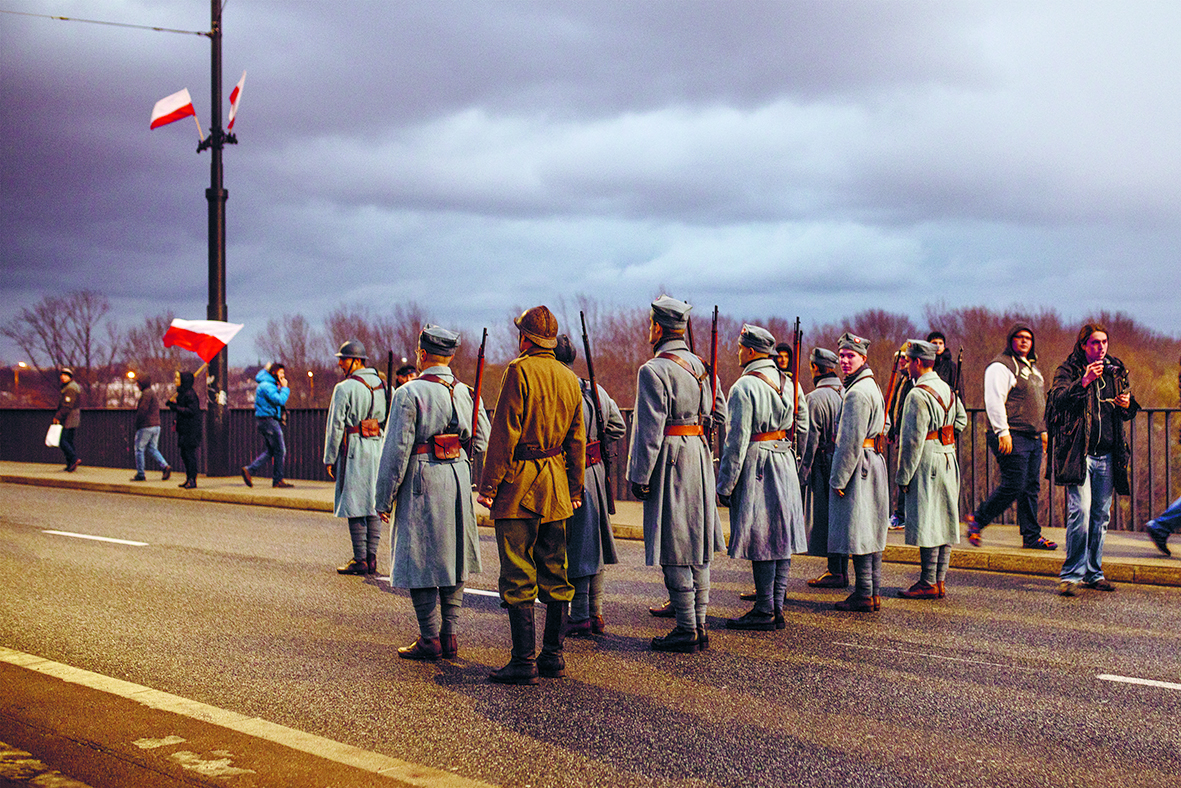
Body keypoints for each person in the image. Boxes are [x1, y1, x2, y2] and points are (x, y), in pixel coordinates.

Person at [477, 306, 584, 684]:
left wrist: (489, 486)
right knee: (556, 571)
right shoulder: (570, 378)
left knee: (518, 572)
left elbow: (504, 433)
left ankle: (523, 661)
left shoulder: (518, 370)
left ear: (525, 338)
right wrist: (575, 488)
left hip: (519, 484)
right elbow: (576, 440)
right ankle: (552, 656)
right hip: (556, 485)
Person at [378, 326, 490, 660]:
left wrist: (383, 498)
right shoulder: (467, 391)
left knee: (420, 556)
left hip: (422, 477)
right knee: (453, 555)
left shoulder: (408, 393)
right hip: (457, 477)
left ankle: (429, 638)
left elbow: (396, 451)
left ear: (422, 354)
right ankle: (450, 635)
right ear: (451, 356)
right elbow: (482, 440)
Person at [628, 295, 726, 653]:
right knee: (697, 543)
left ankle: (686, 627)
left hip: (671, 460)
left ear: (658, 328)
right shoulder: (701, 366)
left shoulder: (653, 370)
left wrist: (640, 476)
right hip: (698, 455)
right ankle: (699, 623)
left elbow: (649, 432)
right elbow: (720, 414)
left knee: (674, 544)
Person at [716, 325, 809, 631]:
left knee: (762, 537)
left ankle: (765, 608)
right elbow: (804, 427)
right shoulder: (790, 383)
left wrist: (726, 484)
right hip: (785, 458)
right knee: (781, 536)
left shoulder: (744, 386)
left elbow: (736, 441)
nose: (738, 352)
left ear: (751, 351)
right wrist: (798, 461)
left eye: (740, 348)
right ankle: (776, 606)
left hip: (759, 462)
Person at [1047, 323, 1139, 596]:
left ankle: (1093, 573)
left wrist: (1128, 404)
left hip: (1108, 454)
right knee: (1081, 511)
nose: (1101, 348)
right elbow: (1057, 401)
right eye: (1095, 343)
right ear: (1083, 345)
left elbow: (1127, 411)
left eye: (1104, 342)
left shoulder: (1115, 369)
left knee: (1100, 515)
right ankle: (1071, 575)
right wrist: (1084, 381)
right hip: (1079, 454)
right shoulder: (1068, 370)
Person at [553, 335, 626, 637]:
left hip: (570, 474)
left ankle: (581, 614)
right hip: (595, 471)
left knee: (578, 545)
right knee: (592, 545)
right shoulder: (592, 388)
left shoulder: (559, 388)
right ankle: (594, 612)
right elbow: (618, 426)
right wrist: (596, 438)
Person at [966, 324, 1056, 550]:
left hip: (1032, 435)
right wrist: (1002, 431)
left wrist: (1043, 430)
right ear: (1010, 340)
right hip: (1011, 433)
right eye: (1019, 337)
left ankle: (1031, 536)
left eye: (1028, 338)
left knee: (1031, 486)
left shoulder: (1032, 368)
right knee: (1015, 483)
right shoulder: (1001, 366)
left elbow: (1038, 402)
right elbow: (994, 400)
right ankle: (978, 519)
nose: (1024, 341)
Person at [893, 340, 967, 599]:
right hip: (948, 456)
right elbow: (961, 421)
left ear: (917, 362)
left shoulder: (917, 394)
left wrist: (903, 477)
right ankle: (940, 581)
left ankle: (927, 581)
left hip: (927, 460)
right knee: (945, 520)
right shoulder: (947, 388)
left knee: (928, 521)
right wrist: (945, 435)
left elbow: (912, 441)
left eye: (907, 361)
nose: (905, 365)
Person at [828, 332, 889, 612]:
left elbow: (849, 441)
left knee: (861, 529)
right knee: (871, 528)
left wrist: (839, 479)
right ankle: (871, 592)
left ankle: (865, 593)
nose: (844, 360)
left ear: (863, 358)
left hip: (859, 465)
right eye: (841, 356)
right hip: (872, 460)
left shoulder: (856, 392)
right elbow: (885, 424)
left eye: (850, 356)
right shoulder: (871, 386)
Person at [323, 340, 387, 576]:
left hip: (355, 449)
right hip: (377, 446)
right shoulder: (382, 386)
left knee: (355, 503)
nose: (340, 363)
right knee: (373, 503)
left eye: (344, 359)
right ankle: (372, 558)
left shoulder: (344, 388)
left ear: (357, 361)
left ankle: (360, 559)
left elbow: (335, 425)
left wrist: (329, 458)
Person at [801, 348, 847, 588]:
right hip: (846, 461)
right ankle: (839, 569)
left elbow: (810, 441)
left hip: (824, 462)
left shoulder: (815, 398)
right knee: (841, 516)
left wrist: (802, 474)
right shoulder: (847, 391)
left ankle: (836, 571)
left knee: (827, 517)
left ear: (815, 368)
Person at [242, 362, 293, 488]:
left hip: (265, 420)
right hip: (268, 420)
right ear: (274, 372)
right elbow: (279, 400)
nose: (283, 375)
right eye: (281, 372)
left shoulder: (267, 383)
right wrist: (285, 388)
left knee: (272, 450)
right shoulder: (267, 386)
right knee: (280, 450)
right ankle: (277, 480)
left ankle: (251, 470)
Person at [131, 375, 171, 482]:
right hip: (156, 425)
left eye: (138, 383)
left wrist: (137, 423)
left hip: (146, 425)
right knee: (152, 448)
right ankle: (165, 466)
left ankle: (140, 474)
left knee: (139, 449)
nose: (137, 385)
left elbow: (142, 410)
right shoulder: (152, 393)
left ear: (142, 384)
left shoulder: (146, 394)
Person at [167, 371, 201, 489]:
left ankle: (192, 479)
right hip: (184, 429)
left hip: (191, 429)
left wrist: (175, 407)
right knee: (184, 454)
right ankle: (188, 478)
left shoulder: (190, 394)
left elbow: (191, 411)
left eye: (178, 378)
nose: (175, 380)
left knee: (189, 454)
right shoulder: (182, 393)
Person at [52, 368, 82, 472]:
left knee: (63, 440)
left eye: (65, 375)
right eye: (62, 375)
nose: (62, 377)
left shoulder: (70, 388)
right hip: (74, 417)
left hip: (69, 418)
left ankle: (73, 459)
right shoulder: (72, 386)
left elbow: (67, 406)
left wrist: (58, 416)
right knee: (69, 440)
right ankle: (70, 464)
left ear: (70, 377)